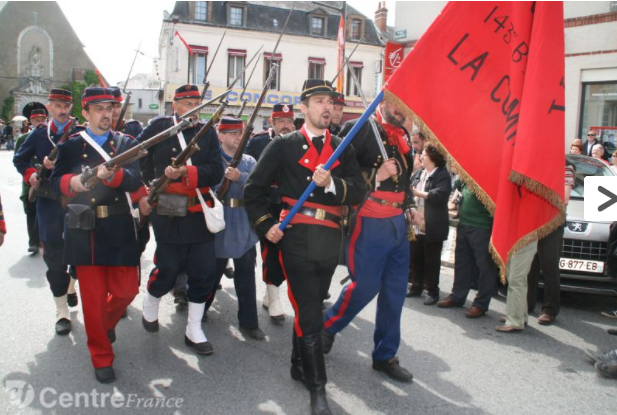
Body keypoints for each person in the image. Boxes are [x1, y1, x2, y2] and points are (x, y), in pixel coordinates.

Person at [245, 79, 365, 415]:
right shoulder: (284, 145)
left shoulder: (344, 147)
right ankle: (318, 390)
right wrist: (266, 226)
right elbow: (254, 191)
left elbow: (358, 190)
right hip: (295, 239)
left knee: (310, 305)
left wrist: (334, 184)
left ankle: (299, 364)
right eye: (319, 102)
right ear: (304, 108)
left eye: (330, 102)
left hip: (330, 242)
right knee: (311, 314)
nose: (327, 107)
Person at [50, 87, 145, 383]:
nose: (107, 114)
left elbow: (135, 180)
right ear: (87, 113)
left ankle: (103, 323)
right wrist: (76, 181)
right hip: (85, 230)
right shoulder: (71, 145)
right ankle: (101, 356)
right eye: (100, 109)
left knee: (126, 291)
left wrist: (112, 175)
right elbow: (55, 184)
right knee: (91, 300)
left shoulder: (127, 143)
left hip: (119, 227)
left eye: (110, 108)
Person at [322, 97, 416, 384]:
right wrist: (376, 175)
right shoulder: (360, 127)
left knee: (395, 293)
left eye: (406, 106)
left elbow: (404, 179)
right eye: (398, 104)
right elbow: (337, 173)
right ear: (384, 101)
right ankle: (326, 326)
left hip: (398, 223)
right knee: (365, 286)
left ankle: (385, 354)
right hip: (370, 220)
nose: (403, 110)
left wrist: (409, 203)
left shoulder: (402, 135)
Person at [137, 84, 224, 356]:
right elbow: (139, 156)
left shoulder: (207, 132)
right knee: (169, 268)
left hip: (198, 211)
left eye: (197, 102)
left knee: (203, 271)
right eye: (188, 103)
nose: (194, 108)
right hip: (168, 211)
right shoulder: (159, 127)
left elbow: (215, 171)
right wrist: (150, 185)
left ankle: (194, 328)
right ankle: (151, 303)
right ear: (175, 105)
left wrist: (187, 172)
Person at [13, 89, 81, 335]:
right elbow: (20, 160)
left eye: (66, 106)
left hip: (76, 202)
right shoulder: (39, 134)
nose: (62, 111)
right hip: (49, 204)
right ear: (49, 107)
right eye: (57, 106)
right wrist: (33, 174)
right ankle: (61, 311)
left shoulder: (80, 133)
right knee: (54, 259)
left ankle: (72, 285)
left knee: (79, 256)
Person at [202, 115, 264, 340]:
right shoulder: (212, 160)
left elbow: (258, 188)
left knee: (246, 275)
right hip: (219, 219)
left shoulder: (248, 161)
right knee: (211, 273)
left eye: (241, 133)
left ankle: (249, 323)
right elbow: (205, 188)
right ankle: (200, 310)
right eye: (233, 133)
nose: (239, 137)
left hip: (243, 221)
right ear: (220, 135)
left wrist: (240, 177)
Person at [245, 103, 296, 322]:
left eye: (289, 121)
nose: (286, 126)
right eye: (281, 122)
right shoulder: (257, 142)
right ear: (272, 123)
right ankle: (274, 297)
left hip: (290, 204)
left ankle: (271, 293)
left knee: (289, 251)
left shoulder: (298, 142)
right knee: (270, 250)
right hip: (265, 203)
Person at [437, 178, 499, 318]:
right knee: (462, 263)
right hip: (464, 223)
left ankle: (480, 304)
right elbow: (458, 186)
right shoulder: (468, 173)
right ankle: (457, 296)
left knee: (485, 267)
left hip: (483, 226)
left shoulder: (491, 176)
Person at [526, 165, 576, 326]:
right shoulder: (535, 165)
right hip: (533, 222)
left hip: (552, 224)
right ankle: (525, 305)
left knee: (549, 268)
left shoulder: (566, 169)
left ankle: (549, 310)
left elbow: (565, 198)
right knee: (529, 266)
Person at [407, 144, 452, 304]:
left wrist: (419, 193)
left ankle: (433, 291)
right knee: (416, 256)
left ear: (433, 157)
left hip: (432, 225)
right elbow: (409, 190)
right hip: (416, 223)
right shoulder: (420, 173)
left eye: (424, 155)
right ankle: (416, 285)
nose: (421, 157)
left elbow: (440, 195)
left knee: (431, 260)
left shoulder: (443, 174)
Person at [14, 109, 48, 253]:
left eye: (42, 119)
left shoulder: (50, 137)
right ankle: (33, 242)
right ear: (31, 122)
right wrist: (30, 175)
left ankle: (43, 239)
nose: (39, 122)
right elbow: (19, 158)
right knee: (31, 211)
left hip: (46, 182)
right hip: (30, 181)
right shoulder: (23, 139)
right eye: (36, 120)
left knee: (45, 212)